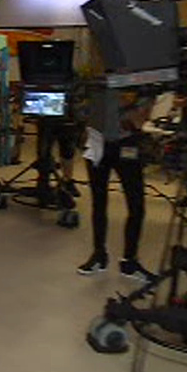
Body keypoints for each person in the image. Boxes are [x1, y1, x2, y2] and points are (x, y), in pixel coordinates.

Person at [77, 87, 156, 282]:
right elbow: (81, 103)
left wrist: (135, 113)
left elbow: (142, 112)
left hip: (126, 143)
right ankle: (99, 254)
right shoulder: (96, 78)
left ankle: (130, 260)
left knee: (136, 204)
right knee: (98, 201)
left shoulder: (138, 79)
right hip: (97, 141)